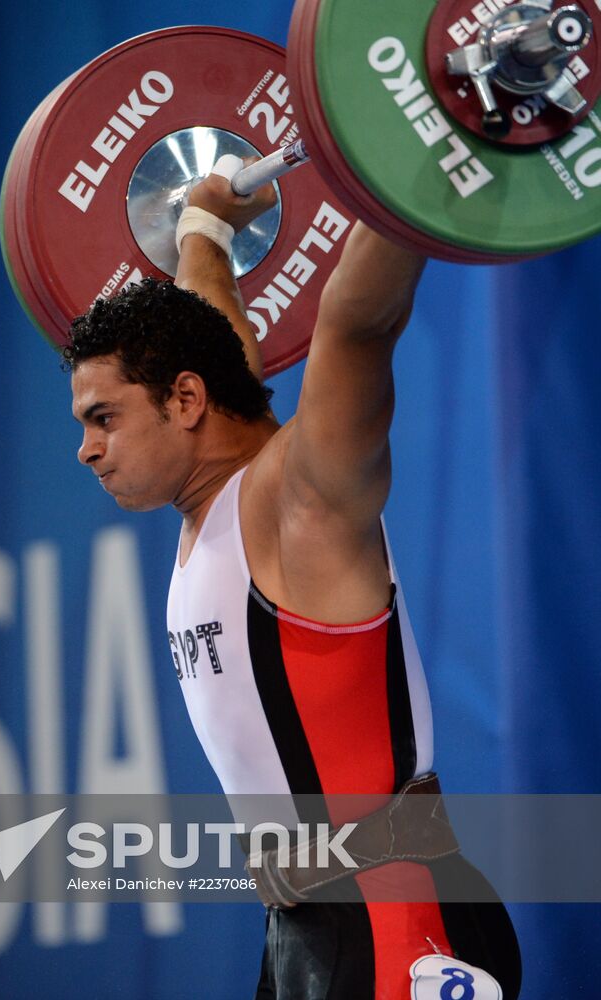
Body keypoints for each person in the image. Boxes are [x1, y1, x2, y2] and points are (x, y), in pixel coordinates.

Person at [64, 160, 521, 999]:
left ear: (185, 402)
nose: (87, 450)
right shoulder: (219, 496)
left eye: (103, 419)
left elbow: (358, 324)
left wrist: (423, 155)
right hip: (308, 924)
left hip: (397, 919)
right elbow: (219, 349)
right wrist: (204, 231)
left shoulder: (301, 502)